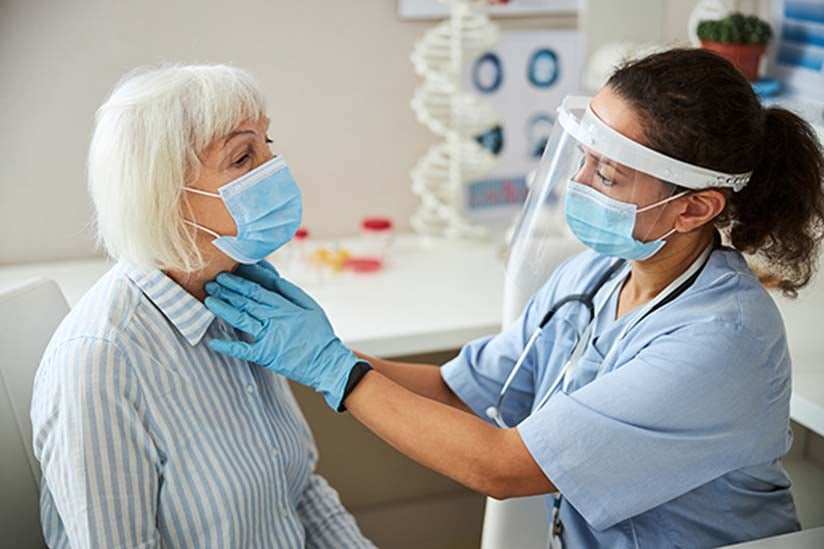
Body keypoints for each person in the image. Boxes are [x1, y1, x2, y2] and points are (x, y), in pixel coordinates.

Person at [204, 49, 824, 548]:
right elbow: (461, 390)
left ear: (694, 206)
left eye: (607, 175)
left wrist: (331, 370)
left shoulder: (719, 341)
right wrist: (316, 345)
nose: (578, 184)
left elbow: (500, 467)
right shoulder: (596, 277)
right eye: (582, 160)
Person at [30, 64, 373, 549]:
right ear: (166, 195)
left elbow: (298, 495)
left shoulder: (238, 300)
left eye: (267, 146)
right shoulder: (102, 364)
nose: (273, 170)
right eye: (242, 157)